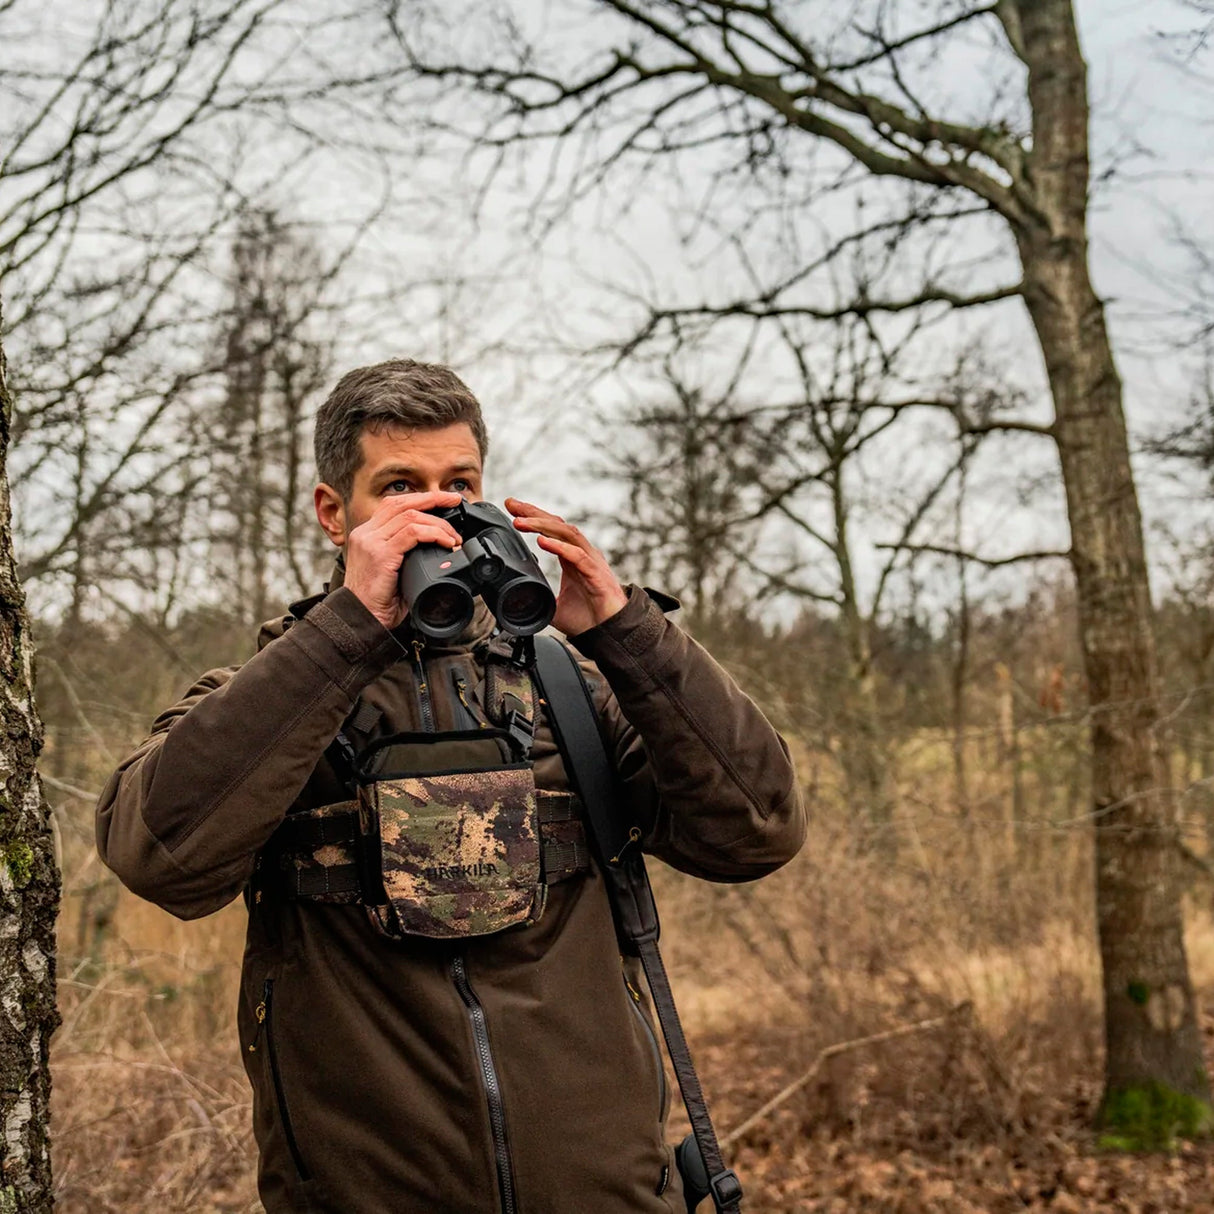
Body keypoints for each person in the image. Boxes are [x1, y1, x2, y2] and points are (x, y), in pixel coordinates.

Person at [96, 358, 806, 1214]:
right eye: (400, 487)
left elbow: (758, 827)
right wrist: (343, 635)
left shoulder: (571, 691)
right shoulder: (270, 698)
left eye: (459, 485)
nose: (437, 513)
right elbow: (160, 857)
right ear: (334, 513)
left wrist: (627, 632)